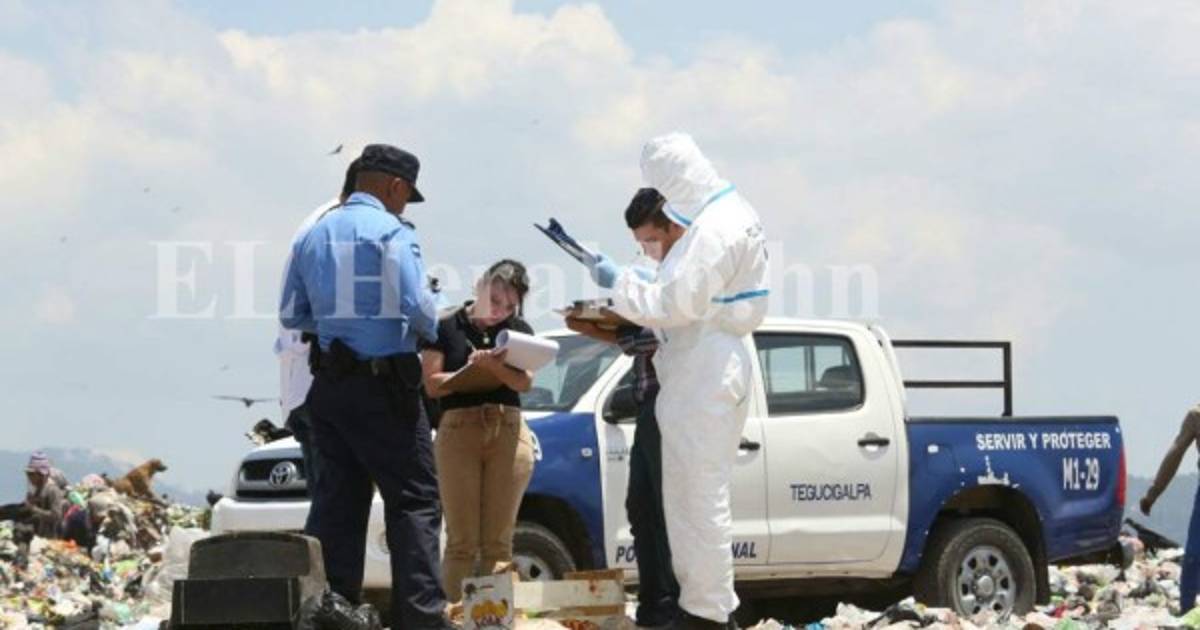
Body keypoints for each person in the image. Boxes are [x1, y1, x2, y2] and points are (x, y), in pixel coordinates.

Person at [586, 133, 770, 629]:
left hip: (704, 368)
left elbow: (674, 304)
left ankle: (707, 614)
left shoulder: (712, 228)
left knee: (696, 501)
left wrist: (620, 282)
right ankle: (709, 608)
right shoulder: (732, 214)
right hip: (707, 363)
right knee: (694, 499)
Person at [280, 143, 451, 629]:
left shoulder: (313, 234)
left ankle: (333, 614)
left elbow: (292, 313)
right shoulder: (391, 232)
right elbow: (419, 308)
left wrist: (338, 325)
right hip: (384, 388)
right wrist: (429, 325)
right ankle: (423, 619)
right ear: (395, 186)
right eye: (405, 196)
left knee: (338, 505)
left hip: (329, 389)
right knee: (414, 502)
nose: (404, 206)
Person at [567, 188, 683, 627]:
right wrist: (595, 327)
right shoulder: (657, 274)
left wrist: (617, 319)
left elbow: (659, 335)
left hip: (673, 403)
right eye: (640, 244)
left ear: (673, 227)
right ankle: (656, 603)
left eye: (650, 241)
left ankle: (673, 604)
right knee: (642, 507)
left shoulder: (683, 273)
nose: (646, 251)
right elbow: (641, 338)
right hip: (649, 403)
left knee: (666, 508)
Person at [420, 259, 536, 603]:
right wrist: (469, 372)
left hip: (506, 427)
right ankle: (452, 616)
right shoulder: (446, 325)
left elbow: (524, 382)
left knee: (498, 542)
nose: (499, 312)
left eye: (509, 307)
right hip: (458, 429)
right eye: (495, 301)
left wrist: (494, 367)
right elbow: (432, 383)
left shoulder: (518, 331)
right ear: (479, 286)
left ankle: (493, 618)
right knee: (462, 541)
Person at [275, 157, 361, 492]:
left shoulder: (324, 222)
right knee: (337, 504)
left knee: (331, 504)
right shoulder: (334, 229)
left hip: (308, 386)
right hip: (322, 386)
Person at [1140, 404, 1200, 613]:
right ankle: (1187, 609)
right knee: (1194, 554)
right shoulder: (1197, 415)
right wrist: (1153, 493)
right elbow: (1175, 454)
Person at [24, 451, 66, 539]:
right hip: (38, 536)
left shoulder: (52, 490)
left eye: (32, 474)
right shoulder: (37, 490)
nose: (29, 477)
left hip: (51, 537)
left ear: (40, 474)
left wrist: (33, 509)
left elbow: (56, 515)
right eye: (28, 473)